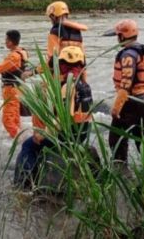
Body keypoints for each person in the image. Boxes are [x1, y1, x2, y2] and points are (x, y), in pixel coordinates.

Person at [13, 46, 94, 188]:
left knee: (29, 145)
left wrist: (44, 134)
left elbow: (64, 118)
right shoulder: (84, 84)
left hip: (68, 136)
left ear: (62, 65)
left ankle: (24, 184)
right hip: (82, 134)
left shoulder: (67, 86)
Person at [109, 19, 144, 164]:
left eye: (117, 35)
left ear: (121, 37)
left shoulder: (128, 55)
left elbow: (125, 84)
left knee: (116, 138)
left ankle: (120, 168)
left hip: (132, 101)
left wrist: (116, 107)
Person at [0, 30, 28, 139]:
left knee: (7, 120)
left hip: (11, 90)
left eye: (6, 40)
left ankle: (18, 140)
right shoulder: (22, 51)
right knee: (15, 117)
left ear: (11, 41)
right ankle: (19, 137)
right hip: (18, 88)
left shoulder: (14, 56)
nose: (5, 42)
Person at [44, 1, 88, 71]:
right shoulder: (77, 31)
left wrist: (33, 72)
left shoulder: (54, 32)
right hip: (77, 73)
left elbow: (52, 59)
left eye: (50, 17)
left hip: (61, 74)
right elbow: (83, 59)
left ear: (53, 16)